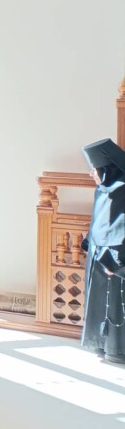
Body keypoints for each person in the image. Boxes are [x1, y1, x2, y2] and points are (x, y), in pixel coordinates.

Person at [80, 138, 125, 363]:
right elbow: (99, 221)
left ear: (108, 170)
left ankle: (118, 351)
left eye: (95, 169)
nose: (92, 174)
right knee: (98, 302)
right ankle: (100, 343)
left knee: (116, 305)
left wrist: (118, 263)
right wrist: (90, 242)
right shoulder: (104, 189)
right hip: (98, 254)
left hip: (116, 260)